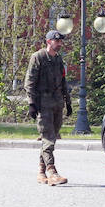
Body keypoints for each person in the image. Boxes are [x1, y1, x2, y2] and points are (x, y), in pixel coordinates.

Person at [25, 28, 72, 185]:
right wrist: (32, 103)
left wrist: (68, 102)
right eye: (57, 41)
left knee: (50, 138)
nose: (59, 44)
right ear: (48, 42)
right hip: (43, 104)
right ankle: (52, 172)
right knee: (48, 137)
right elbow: (29, 82)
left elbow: (64, 82)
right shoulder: (38, 57)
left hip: (57, 103)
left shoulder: (59, 60)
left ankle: (40, 171)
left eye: (60, 41)